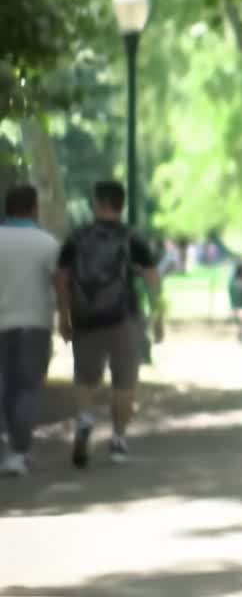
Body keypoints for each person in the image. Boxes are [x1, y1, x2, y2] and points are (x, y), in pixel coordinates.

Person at [55, 180, 164, 468]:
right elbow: (152, 279)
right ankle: (118, 440)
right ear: (120, 204)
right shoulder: (133, 238)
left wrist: (63, 316)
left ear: (99, 203)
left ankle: (86, 418)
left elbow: (63, 279)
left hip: (86, 320)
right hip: (124, 318)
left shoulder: (76, 238)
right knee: (124, 382)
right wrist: (157, 315)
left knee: (85, 379)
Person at [0, 186, 62, 477]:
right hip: (34, 325)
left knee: (5, 388)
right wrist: (67, 318)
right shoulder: (47, 243)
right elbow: (60, 284)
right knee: (25, 388)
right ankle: (18, 452)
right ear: (34, 207)